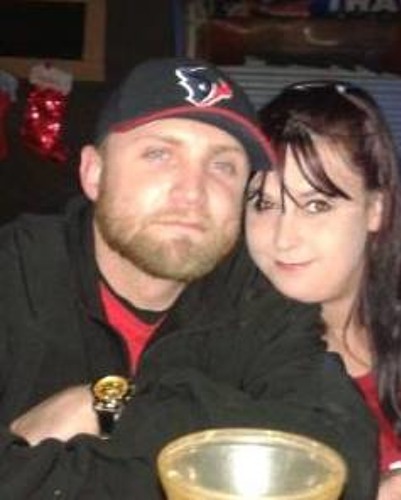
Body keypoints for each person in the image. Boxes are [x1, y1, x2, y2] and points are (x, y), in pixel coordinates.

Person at [0, 60, 378, 498]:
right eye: (159, 155)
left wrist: (113, 408)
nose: (192, 192)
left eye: (223, 166)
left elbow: (342, 456)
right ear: (94, 173)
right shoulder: (16, 275)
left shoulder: (255, 294)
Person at [245, 80, 401, 499]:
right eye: (265, 204)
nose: (282, 238)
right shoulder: (238, 370)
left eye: (317, 204)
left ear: (375, 209)